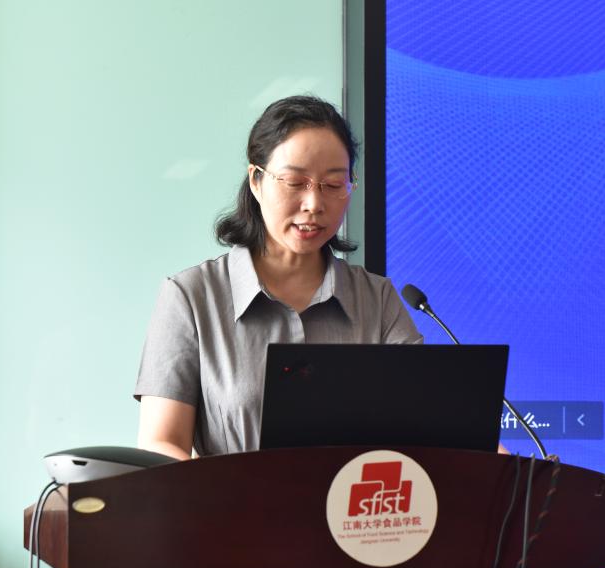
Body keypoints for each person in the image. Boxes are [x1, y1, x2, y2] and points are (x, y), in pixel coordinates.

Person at [134, 95, 422, 460]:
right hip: (228, 499)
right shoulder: (191, 297)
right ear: (256, 181)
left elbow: (423, 424)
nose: (314, 204)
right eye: (295, 182)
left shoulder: (377, 299)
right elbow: (161, 444)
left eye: (334, 184)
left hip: (354, 497)